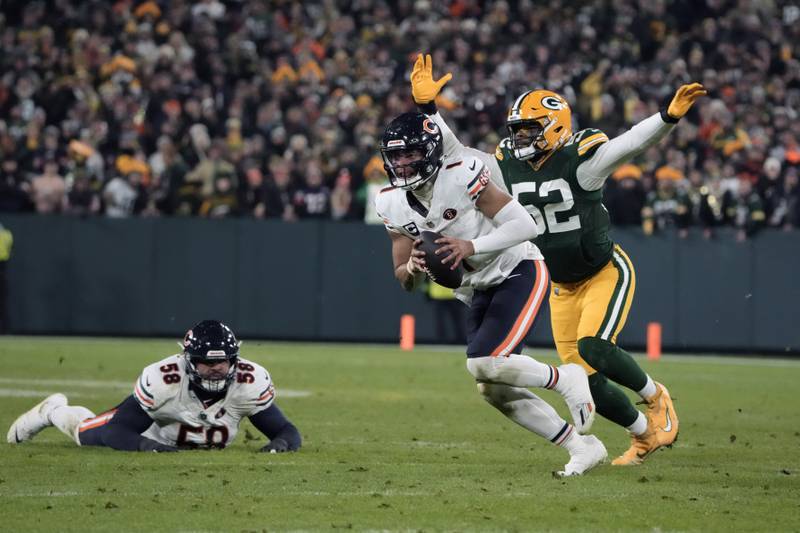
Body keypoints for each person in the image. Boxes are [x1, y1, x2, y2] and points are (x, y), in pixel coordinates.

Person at [411, 54, 705, 465]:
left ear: (556, 126)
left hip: (603, 270)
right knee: (584, 378)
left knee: (595, 347)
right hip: (560, 286)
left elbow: (631, 143)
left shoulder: (582, 161)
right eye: (517, 129)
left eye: (530, 128)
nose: (520, 137)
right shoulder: (506, 165)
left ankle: (655, 397)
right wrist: (429, 111)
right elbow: (459, 153)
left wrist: (667, 116)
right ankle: (641, 437)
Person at [375, 111, 605, 477]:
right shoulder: (390, 202)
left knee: (482, 362)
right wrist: (415, 269)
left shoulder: (461, 173)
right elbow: (402, 277)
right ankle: (581, 448)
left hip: (517, 269)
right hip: (476, 289)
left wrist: (472, 245)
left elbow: (525, 224)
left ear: (432, 151)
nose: (402, 164)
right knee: (491, 388)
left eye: (411, 154)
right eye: (396, 156)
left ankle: (566, 379)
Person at [7, 320, 301, 453]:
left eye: (223, 361)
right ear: (188, 361)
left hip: (183, 442)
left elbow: (287, 431)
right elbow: (117, 431)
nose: (216, 368)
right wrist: (149, 446)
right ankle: (52, 411)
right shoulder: (165, 381)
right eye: (205, 362)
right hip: (149, 430)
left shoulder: (248, 383)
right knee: (85, 433)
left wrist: (280, 444)